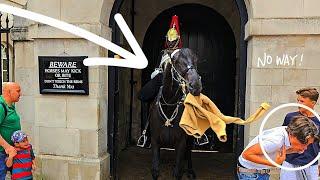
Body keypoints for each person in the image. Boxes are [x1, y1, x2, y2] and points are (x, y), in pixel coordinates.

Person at [137, 15, 183, 147]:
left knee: (194, 103)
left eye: (173, 40)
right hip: (162, 79)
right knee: (144, 95)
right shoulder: (162, 53)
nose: (170, 43)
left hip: (178, 80)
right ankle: (146, 132)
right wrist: (158, 73)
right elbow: (157, 67)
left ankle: (196, 135)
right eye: (169, 40)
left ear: (177, 40)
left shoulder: (181, 54)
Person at [237, 116, 319, 180]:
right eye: (304, 143)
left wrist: (293, 150)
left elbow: (274, 151)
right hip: (250, 174)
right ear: (293, 135)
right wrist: (273, 163)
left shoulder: (288, 132)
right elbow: (247, 154)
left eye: (308, 144)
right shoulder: (276, 141)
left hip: (260, 171)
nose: (305, 148)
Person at [280, 87, 320, 180]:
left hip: (311, 163)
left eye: (302, 101)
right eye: (298, 100)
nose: (298, 104)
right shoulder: (290, 117)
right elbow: (282, 137)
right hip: (290, 162)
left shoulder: (318, 120)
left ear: (313, 103)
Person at [0, 82, 22, 179]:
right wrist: (8, 147)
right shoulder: (1, 107)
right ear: (9, 92)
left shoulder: (10, 105)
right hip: (2, 152)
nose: (20, 94)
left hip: (11, 152)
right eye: (18, 91)